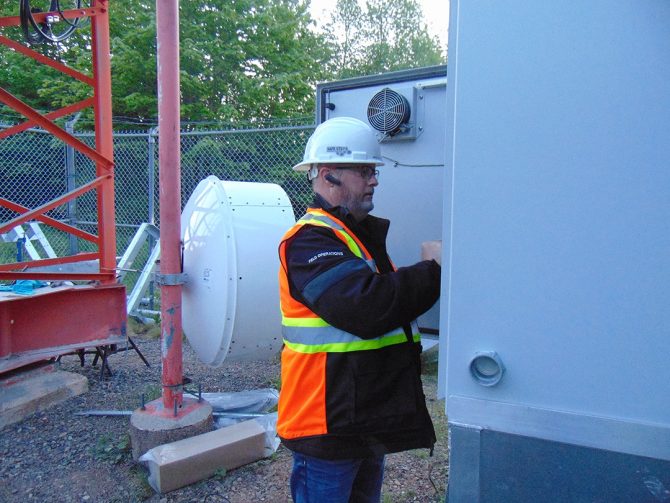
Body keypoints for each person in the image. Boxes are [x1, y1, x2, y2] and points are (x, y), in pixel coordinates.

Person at [277, 116, 442, 503]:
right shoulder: (308, 240)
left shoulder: (354, 235)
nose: (375, 180)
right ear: (330, 175)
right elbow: (368, 306)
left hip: (358, 417)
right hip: (325, 423)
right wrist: (434, 271)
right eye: (365, 170)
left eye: (374, 171)